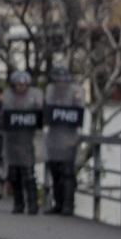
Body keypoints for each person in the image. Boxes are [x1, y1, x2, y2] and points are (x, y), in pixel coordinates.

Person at [0, 70, 44, 215]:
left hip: (27, 141)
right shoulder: (8, 98)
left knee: (29, 175)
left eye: (23, 85)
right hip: (11, 141)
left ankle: (32, 204)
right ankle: (18, 204)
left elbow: (40, 117)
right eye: (18, 85)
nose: (21, 88)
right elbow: (1, 118)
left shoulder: (33, 97)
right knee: (14, 175)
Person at [43, 65, 83, 215]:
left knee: (67, 173)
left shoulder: (75, 91)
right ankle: (58, 203)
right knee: (55, 173)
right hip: (54, 138)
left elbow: (78, 113)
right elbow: (47, 111)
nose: (61, 83)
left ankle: (68, 205)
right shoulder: (50, 91)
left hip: (68, 139)